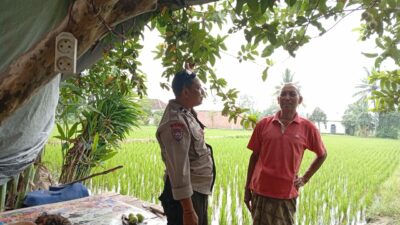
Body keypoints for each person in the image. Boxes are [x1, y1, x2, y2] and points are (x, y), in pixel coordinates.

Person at [244, 83, 327, 225]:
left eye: (292, 94)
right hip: (260, 191)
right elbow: (254, 157)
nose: (287, 97)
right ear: (278, 99)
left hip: (286, 194)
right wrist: (247, 188)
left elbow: (322, 154)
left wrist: (305, 178)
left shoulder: (308, 128)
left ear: (300, 100)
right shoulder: (263, 124)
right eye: (283, 94)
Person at [156, 68, 215, 225]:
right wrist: (188, 211)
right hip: (187, 198)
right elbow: (179, 169)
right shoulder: (176, 122)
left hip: (196, 191)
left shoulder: (186, 112)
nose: (202, 91)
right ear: (186, 92)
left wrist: (189, 72)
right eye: (198, 88)